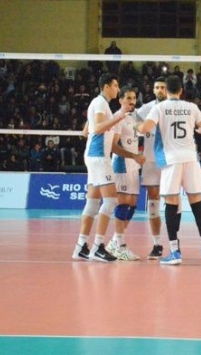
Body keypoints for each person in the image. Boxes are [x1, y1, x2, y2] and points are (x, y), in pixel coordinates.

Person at [135, 75, 201, 266]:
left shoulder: (159, 107)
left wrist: (136, 125)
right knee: (197, 204)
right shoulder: (191, 107)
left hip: (171, 161)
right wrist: (197, 128)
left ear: (166, 91)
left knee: (171, 204)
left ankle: (174, 252)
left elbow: (144, 128)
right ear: (181, 91)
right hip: (191, 159)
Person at [71, 73, 126, 263]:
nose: (118, 89)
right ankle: (97, 247)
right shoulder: (101, 103)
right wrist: (120, 115)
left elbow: (85, 131)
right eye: (116, 85)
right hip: (99, 158)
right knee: (111, 201)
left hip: (93, 156)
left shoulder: (97, 103)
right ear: (106, 87)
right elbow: (98, 128)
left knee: (93, 202)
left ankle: (80, 246)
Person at [106, 88, 146, 261]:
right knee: (123, 203)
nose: (132, 100)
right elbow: (113, 146)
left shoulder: (136, 116)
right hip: (121, 164)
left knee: (132, 204)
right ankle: (120, 245)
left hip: (134, 165)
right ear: (120, 100)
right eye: (128, 98)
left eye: (134, 97)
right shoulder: (118, 118)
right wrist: (133, 156)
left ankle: (115, 241)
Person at [136, 77, 168, 259]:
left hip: (170, 161)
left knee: (173, 202)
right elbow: (131, 125)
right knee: (153, 201)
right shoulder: (146, 109)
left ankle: (174, 241)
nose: (160, 90)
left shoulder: (174, 108)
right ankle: (157, 244)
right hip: (150, 161)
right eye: (157, 87)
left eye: (163, 87)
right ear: (153, 90)